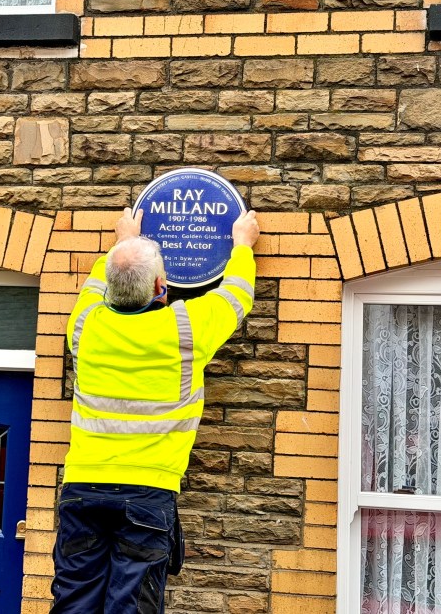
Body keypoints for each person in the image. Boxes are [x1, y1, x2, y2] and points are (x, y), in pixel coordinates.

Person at [51, 206, 260, 614]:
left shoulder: (85, 326)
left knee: (73, 603)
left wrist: (122, 242)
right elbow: (236, 295)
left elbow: (93, 288)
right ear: (161, 285)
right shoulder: (187, 327)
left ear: (111, 287)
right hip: (148, 493)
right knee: (133, 607)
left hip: (83, 487)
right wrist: (242, 245)